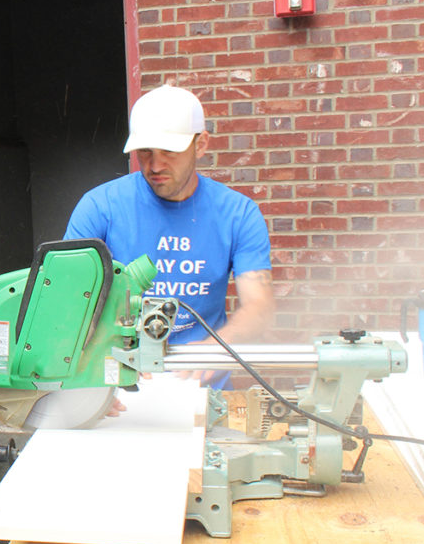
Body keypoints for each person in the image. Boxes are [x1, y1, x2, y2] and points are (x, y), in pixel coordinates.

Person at [64, 83, 274, 386]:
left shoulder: (237, 214)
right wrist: (88, 374)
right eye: (145, 151)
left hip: (201, 385)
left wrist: (217, 347)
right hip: (114, 380)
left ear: (200, 145)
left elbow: (259, 306)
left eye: (170, 151)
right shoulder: (101, 207)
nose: (155, 165)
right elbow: (66, 301)